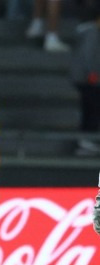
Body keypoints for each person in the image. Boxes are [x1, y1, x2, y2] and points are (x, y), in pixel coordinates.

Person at [70, 6, 100, 156]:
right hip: (89, 80)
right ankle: (86, 140)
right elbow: (89, 56)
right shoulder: (92, 33)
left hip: (85, 79)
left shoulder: (88, 32)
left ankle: (86, 140)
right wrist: (93, 74)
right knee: (91, 111)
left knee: (90, 110)